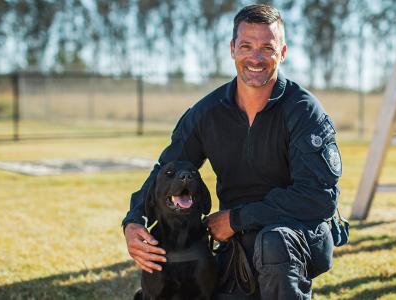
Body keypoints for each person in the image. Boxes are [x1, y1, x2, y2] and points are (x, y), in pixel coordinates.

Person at [123, 4, 342, 299]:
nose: (256, 57)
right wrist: (134, 220)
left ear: (283, 52)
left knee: (274, 242)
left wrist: (236, 218)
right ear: (232, 49)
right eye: (246, 46)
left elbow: (318, 199)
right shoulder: (207, 113)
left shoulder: (303, 112)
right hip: (239, 242)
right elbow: (166, 169)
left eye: (267, 47)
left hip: (296, 235)